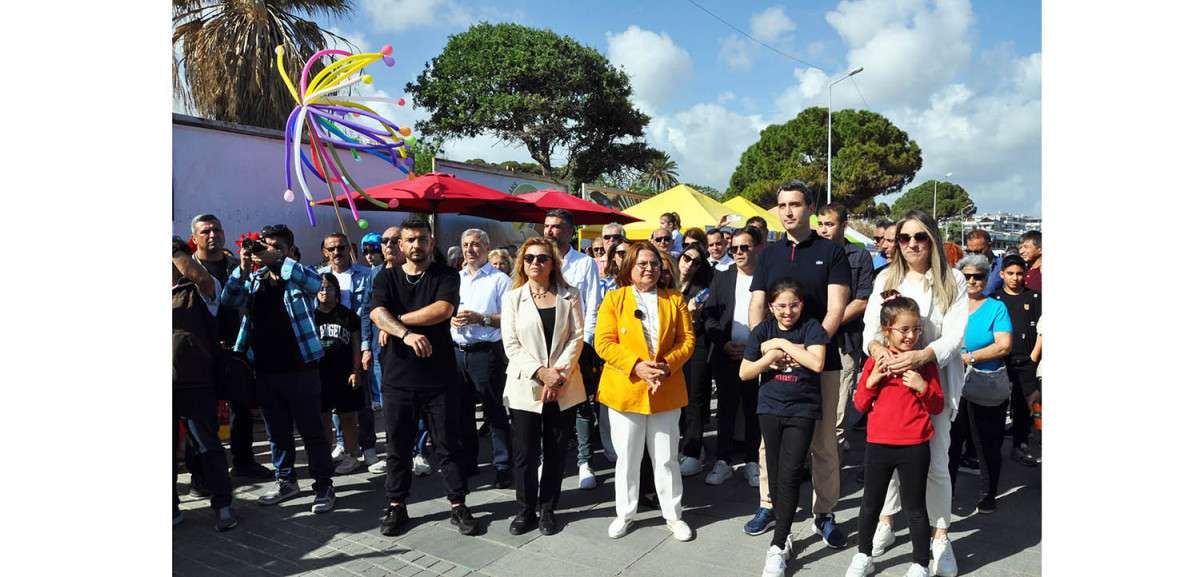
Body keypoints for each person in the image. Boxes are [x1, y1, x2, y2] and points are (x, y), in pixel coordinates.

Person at [862, 210, 968, 577]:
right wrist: (879, 353)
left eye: (919, 237)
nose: (911, 245)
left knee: (937, 463)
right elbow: (869, 332)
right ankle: (887, 524)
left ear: (933, 239)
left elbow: (955, 336)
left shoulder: (952, 280)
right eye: (904, 238)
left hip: (933, 384)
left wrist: (921, 355)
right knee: (890, 464)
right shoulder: (886, 278)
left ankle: (941, 536)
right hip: (891, 388)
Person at [749, 181, 851, 549]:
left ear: (809, 207)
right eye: (782, 205)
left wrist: (809, 348)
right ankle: (769, 504)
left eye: (795, 204)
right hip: (776, 360)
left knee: (824, 442)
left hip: (821, 360)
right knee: (769, 443)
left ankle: (823, 512)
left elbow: (836, 307)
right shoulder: (770, 255)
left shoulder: (832, 252)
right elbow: (758, 305)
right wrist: (761, 349)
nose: (788, 211)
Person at [371, 215, 479, 537]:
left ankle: (458, 505)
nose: (417, 245)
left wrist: (398, 322)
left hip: (439, 379)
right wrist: (404, 334)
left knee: (448, 444)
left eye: (422, 239)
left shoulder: (445, 275)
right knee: (397, 446)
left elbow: (443, 309)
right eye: (411, 240)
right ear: (401, 245)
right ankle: (396, 506)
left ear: (431, 242)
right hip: (397, 379)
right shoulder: (385, 278)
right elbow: (377, 312)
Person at [220, 224, 336, 514]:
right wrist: (243, 268)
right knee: (277, 433)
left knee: (311, 432)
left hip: (301, 369)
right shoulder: (255, 279)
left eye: (277, 246)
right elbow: (228, 300)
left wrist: (276, 258)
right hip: (265, 370)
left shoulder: (300, 276)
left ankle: (323, 485)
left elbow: (315, 283)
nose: (268, 251)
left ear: (290, 250)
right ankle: (286, 481)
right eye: (265, 245)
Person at [596, 241, 696, 542]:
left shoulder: (674, 299)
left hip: (665, 388)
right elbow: (604, 343)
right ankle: (625, 513)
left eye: (654, 263)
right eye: (642, 264)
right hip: (626, 389)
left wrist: (666, 365)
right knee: (627, 456)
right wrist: (637, 366)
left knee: (665, 457)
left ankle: (673, 515)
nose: (649, 269)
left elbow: (687, 340)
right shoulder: (615, 299)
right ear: (630, 267)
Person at [846, 290, 944, 577]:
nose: (911, 335)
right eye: (904, 329)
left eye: (916, 329)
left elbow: (937, 405)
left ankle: (920, 562)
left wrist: (922, 387)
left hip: (914, 445)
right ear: (887, 330)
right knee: (870, 504)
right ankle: (863, 555)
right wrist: (872, 380)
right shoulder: (875, 361)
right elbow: (860, 404)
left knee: (915, 507)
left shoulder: (924, 363)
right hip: (878, 443)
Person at [738, 279, 830, 577]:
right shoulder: (763, 329)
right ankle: (785, 530)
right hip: (770, 407)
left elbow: (816, 363)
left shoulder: (812, 326)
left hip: (802, 409)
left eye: (793, 305)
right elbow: (745, 372)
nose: (787, 311)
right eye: (781, 306)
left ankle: (777, 546)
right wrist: (771, 355)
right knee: (776, 474)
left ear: (801, 304)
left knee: (790, 474)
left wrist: (782, 344)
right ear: (771, 307)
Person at [500, 237, 586, 536]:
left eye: (542, 258)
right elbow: (510, 343)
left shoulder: (569, 295)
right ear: (522, 263)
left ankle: (548, 508)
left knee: (555, 450)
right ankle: (525, 509)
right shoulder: (513, 298)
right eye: (529, 258)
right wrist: (541, 373)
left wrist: (557, 375)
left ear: (553, 263)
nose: (535, 263)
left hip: (563, 385)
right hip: (526, 386)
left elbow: (577, 337)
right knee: (525, 453)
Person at [187, 214, 273, 481]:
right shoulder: (186, 269)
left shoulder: (237, 265)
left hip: (237, 347)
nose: (212, 235)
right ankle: (201, 476)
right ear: (194, 238)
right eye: (205, 231)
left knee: (242, 409)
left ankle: (243, 462)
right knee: (201, 416)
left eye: (216, 230)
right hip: (199, 350)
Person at [172, 237, 238, 531]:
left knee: (208, 446)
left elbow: (201, 278)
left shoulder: (199, 288)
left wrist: (173, 250)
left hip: (195, 381)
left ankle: (223, 504)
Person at [543, 208, 606, 490]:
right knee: (544, 402)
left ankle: (584, 461)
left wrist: (584, 344)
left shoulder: (584, 264)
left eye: (556, 226)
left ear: (571, 230)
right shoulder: (536, 260)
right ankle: (547, 457)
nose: (550, 231)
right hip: (543, 346)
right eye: (546, 226)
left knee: (580, 404)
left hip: (576, 344)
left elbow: (592, 305)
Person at [946, 253, 1012, 516]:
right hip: (952, 383)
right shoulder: (951, 305)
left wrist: (969, 357)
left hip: (984, 384)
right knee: (950, 443)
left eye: (979, 276)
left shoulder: (997, 308)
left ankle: (988, 494)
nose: (972, 281)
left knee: (987, 443)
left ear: (987, 279)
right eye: (967, 276)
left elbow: (1004, 344)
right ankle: (945, 492)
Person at [703, 227, 765, 490]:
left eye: (744, 247)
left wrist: (755, 345)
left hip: (757, 355)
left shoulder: (767, 277)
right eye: (734, 249)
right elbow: (710, 314)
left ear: (757, 247)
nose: (738, 253)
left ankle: (752, 460)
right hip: (726, 353)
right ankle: (723, 460)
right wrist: (723, 342)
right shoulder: (722, 277)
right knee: (726, 409)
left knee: (753, 409)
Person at [452, 229, 514, 489]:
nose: (470, 249)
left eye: (476, 245)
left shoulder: (500, 280)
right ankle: (468, 462)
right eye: (466, 244)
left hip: (486, 352)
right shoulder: (456, 278)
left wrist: (482, 318)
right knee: (462, 411)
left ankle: (503, 464)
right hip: (457, 351)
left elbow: (511, 318)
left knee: (494, 410)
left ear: (487, 248)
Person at [815, 203, 876, 452]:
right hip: (812, 341)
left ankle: (833, 458)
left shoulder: (859, 257)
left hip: (845, 341)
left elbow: (862, 300)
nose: (823, 230)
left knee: (840, 403)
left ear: (843, 225)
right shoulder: (812, 253)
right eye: (819, 224)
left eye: (829, 224)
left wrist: (827, 325)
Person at [317, 233, 379, 470]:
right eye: (331, 248)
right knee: (336, 403)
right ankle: (343, 444)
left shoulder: (365, 275)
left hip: (357, 344)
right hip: (331, 350)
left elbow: (367, 314)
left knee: (362, 401)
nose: (336, 252)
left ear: (350, 248)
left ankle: (368, 447)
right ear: (325, 252)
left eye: (341, 247)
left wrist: (365, 348)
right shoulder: (319, 277)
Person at [313, 273, 365, 476]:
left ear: (337, 292)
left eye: (329, 288)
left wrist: (356, 370)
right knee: (323, 416)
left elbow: (355, 346)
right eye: (321, 288)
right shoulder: (311, 316)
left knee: (348, 416)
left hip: (344, 373)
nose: (324, 292)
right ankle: (325, 456)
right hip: (319, 374)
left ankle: (352, 455)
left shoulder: (347, 315)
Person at [992, 255, 1040, 467]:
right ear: (1002, 274)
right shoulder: (994, 300)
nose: (1015, 278)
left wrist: (1033, 357)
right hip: (1001, 360)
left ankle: (1020, 445)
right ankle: (992, 445)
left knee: (1025, 405)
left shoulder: (1035, 298)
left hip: (1027, 360)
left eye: (1019, 274)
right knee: (997, 404)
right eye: (1010, 273)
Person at [677, 243, 715, 477]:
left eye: (696, 261)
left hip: (696, 346)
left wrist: (693, 315)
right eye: (686, 257)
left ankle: (693, 451)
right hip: (669, 347)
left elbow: (708, 321)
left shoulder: (703, 290)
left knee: (694, 400)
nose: (689, 263)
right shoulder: (666, 281)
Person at [964, 230, 1004, 296]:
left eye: (978, 251)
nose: (974, 255)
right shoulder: (963, 267)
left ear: (990, 246)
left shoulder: (1003, 266)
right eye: (969, 252)